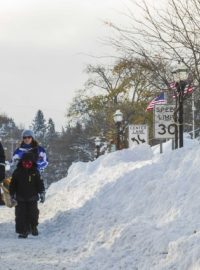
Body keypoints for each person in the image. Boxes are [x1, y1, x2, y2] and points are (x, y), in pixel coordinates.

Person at [9, 152, 45, 238]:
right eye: (25, 162)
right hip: (20, 198)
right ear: (22, 162)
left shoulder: (35, 172)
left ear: (32, 162)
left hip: (32, 197)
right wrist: (12, 195)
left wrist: (42, 193)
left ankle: (33, 227)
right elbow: (12, 184)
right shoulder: (17, 172)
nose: (27, 164)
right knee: (21, 215)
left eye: (29, 162)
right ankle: (23, 231)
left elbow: (40, 183)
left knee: (33, 214)